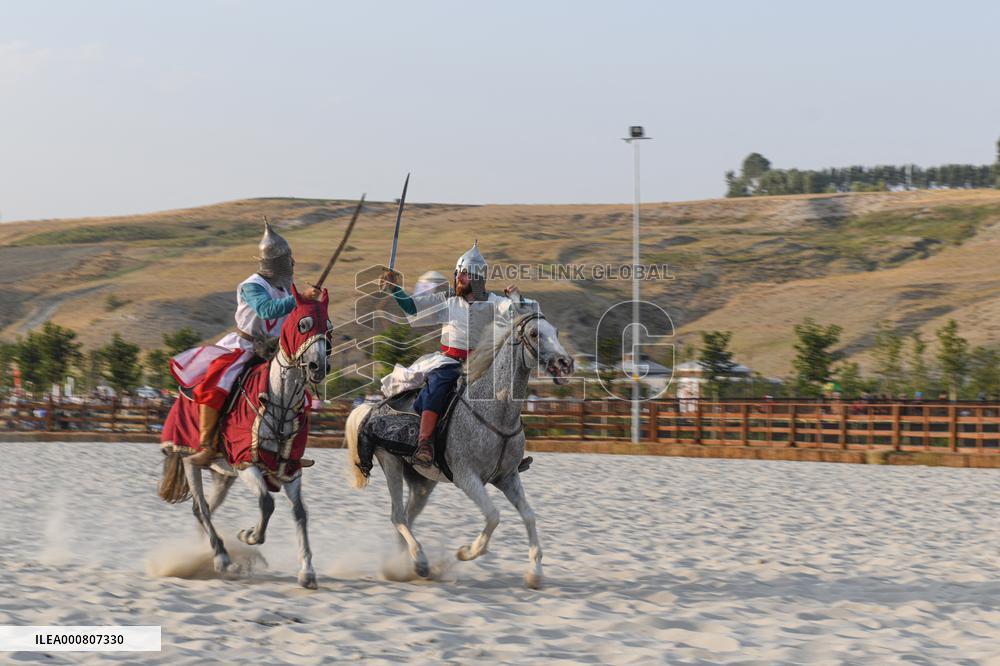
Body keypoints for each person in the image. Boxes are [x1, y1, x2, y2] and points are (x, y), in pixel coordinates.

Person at [183, 220, 321, 466]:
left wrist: (309, 305)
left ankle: (290, 452)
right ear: (275, 263)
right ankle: (208, 445)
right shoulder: (251, 285)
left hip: (275, 351)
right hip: (244, 347)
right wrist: (298, 298)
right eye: (288, 259)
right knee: (217, 383)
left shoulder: (287, 286)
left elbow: (293, 315)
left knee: (300, 395)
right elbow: (267, 310)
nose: (292, 263)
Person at [381, 241, 527, 464]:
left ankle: (510, 452)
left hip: (483, 365)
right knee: (437, 386)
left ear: (478, 278)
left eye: (465, 274)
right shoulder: (446, 300)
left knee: (508, 392)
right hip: (449, 361)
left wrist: (516, 299)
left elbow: (516, 311)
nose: (459, 278)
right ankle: (425, 443)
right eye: (458, 273)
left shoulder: (495, 302)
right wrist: (395, 289)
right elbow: (413, 307)